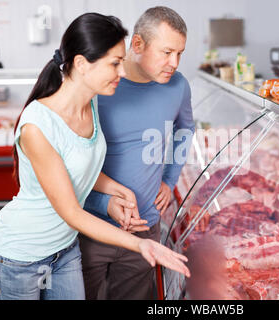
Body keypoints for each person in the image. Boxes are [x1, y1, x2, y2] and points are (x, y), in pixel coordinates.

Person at [0, 12, 190, 301]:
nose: (122, 71)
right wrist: (141, 245)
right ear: (81, 64)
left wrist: (119, 190)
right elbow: (72, 212)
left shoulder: (90, 104)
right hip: (21, 255)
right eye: (115, 64)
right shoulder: (37, 127)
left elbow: (81, 168)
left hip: (65, 250)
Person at [81, 6, 195, 300]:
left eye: (180, 53)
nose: (175, 63)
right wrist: (105, 201)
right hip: (90, 226)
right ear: (138, 44)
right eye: (167, 52)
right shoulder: (100, 85)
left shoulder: (178, 86)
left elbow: (185, 131)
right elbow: (71, 164)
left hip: (145, 227)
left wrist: (169, 180)